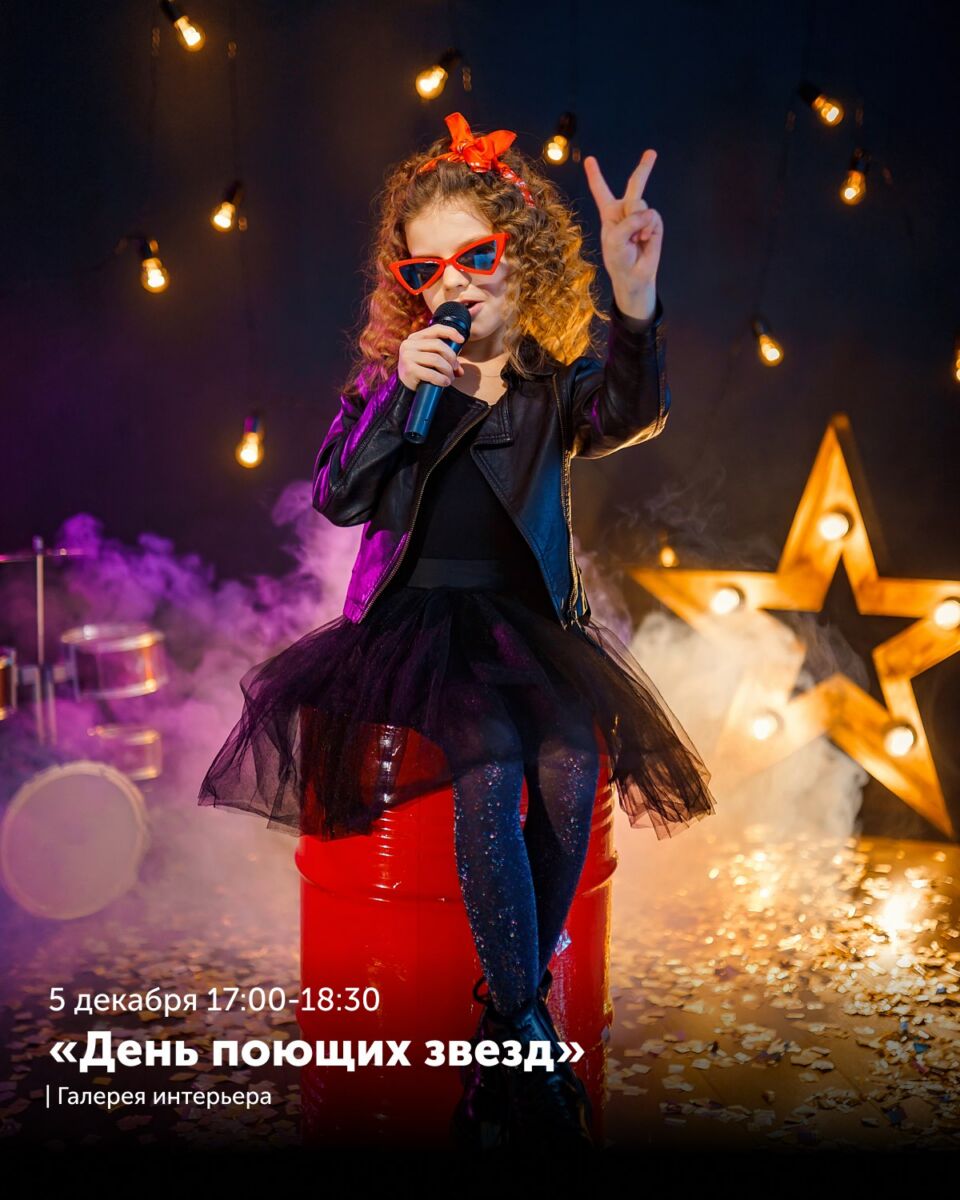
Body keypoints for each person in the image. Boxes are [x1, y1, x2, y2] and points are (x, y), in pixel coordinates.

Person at [198, 111, 716, 1148]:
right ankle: (524, 1039)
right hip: (418, 628)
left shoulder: (548, 387)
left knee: (571, 762)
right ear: (406, 284)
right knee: (486, 767)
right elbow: (339, 496)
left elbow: (631, 411)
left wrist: (635, 299)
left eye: (475, 258)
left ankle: (505, 1028)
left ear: (521, 259)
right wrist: (400, 399)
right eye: (425, 269)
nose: (454, 286)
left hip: (526, 625)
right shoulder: (390, 384)